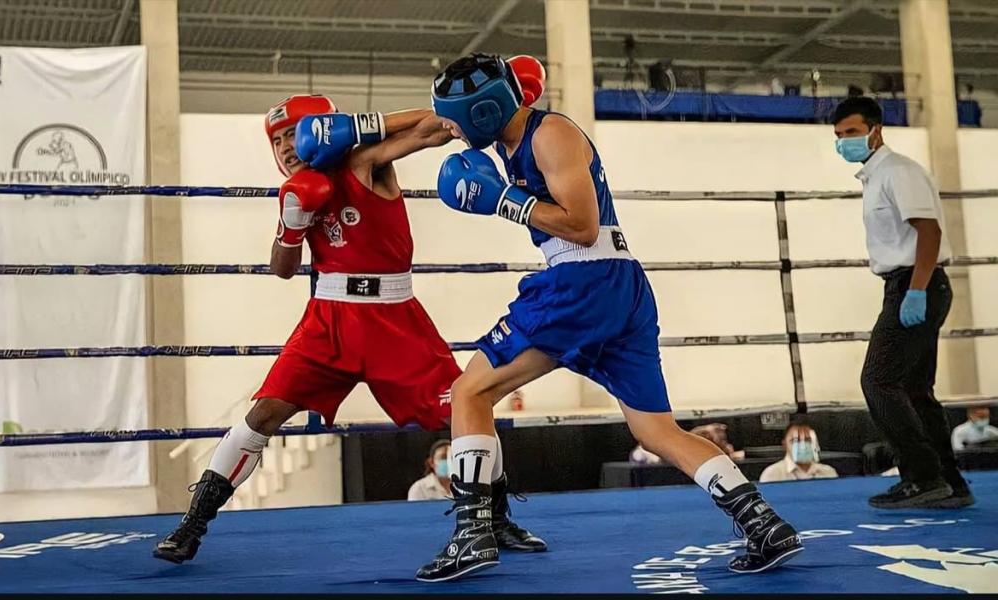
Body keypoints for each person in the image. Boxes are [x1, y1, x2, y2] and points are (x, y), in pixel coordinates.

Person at [415, 53, 803, 583]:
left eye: (456, 121)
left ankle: (473, 534)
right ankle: (763, 523)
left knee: (470, 393)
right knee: (656, 432)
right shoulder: (514, 142)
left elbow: (580, 224)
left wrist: (503, 201)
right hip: (615, 288)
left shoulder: (550, 135)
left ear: (482, 112)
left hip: (582, 282)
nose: (452, 132)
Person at [153, 95, 544, 564]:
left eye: (292, 135)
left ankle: (495, 521)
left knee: (465, 410)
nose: (285, 149)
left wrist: (469, 113)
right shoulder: (298, 190)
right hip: (328, 319)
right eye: (276, 142)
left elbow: (428, 128)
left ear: (321, 129)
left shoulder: (364, 161)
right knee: (262, 416)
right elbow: (282, 268)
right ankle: (191, 526)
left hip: (395, 321)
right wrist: (290, 227)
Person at [832, 96, 974, 510]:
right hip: (911, 283)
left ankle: (923, 477)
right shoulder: (876, 176)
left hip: (917, 283)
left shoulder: (898, 172)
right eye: (839, 136)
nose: (844, 142)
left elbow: (927, 232)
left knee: (878, 381)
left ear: (875, 130)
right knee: (914, 388)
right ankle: (949, 483)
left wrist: (915, 289)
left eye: (852, 133)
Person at [759, 424, 838, 483]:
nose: (802, 446)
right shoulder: (772, 474)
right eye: (795, 441)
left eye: (807, 440)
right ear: (784, 445)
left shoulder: (829, 472)